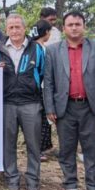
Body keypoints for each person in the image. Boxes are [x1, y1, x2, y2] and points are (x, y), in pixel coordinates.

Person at [43, 11, 95, 190]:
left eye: (78, 24)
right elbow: (48, 82)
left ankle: (92, 188)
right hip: (65, 107)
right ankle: (70, 185)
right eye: (70, 24)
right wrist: (50, 107)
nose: (74, 27)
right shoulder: (53, 51)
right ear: (64, 28)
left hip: (90, 107)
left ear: (84, 26)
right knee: (66, 149)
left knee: (91, 149)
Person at [0, 14, 46, 190]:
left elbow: (43, 75)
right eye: (11, 27)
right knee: (8, 144)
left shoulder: (37, 49)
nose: (14, 31)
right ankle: (12, 179)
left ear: (24, 28)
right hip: (7, 102)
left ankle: (33, 181)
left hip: (30, 103)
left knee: (33, 145)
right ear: (6, 29)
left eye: (18, 27)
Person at [30, 20, 55, 159]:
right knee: (42, 120)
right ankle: (39, 149)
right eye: (49, 31)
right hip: (41, 88)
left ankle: (41, 148)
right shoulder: (40, 48)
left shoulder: (33, 46)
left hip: (40, 87)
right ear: (46, 32)